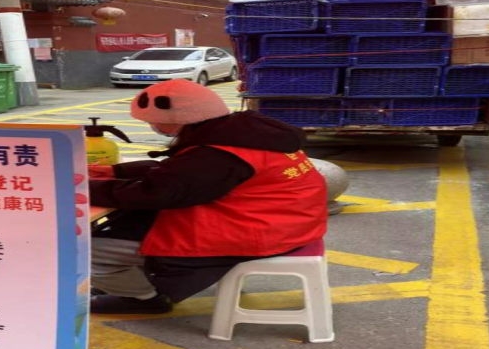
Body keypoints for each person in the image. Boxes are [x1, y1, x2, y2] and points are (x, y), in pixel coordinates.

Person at [88, 79, 328, 314]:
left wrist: (85, 189)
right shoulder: (245, 135)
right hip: (283, 222)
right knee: (127, 222)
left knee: (85, 250)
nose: (152, 125)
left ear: (177, 118)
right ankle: (130, 280)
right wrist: (117, 172)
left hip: (257, 233)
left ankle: (143, 298)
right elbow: (185, 171)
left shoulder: (218, 154)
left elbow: (157, 193)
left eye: (152, 120)